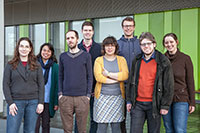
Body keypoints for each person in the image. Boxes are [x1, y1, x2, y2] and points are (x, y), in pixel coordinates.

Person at [126, 32, 174, 133]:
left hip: (154, 104)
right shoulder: (137, 60)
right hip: (137, 104)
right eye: (143, 44)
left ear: (154, 44)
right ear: (140, 46)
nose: (146, 46)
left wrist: (165, 105)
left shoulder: (163, 61)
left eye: (148, 43)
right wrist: (129, 100)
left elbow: (168, 85)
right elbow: (131, 81)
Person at [3, 37, 44, 133]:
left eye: (26, 46)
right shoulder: (10, 65)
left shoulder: (37, 65)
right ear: (18, 48)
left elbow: (41, 84)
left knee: (30, 131)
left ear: (30, 49)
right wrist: (10, 103)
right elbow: (5, 84)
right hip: (15, 103)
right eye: (21, 46)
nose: (24, 49)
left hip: (33, 102)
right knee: (12, 131)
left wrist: (41, 103)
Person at [59, 30, 93, 133]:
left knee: (82, 130)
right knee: (67, 130)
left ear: (77, 39)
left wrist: (87, 95)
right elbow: (60, 76)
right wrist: (60, 94)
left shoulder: (86, 56)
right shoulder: (63, 56)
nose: (70, 40)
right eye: (68, 38)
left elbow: (90, 77)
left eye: (72, 38)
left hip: (82, 98)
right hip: (66, 98)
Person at [93, 36, 129, 133]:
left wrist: (108, 74)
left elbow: (125, 75)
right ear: (103, 47)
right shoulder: (99, 60)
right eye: (107, 46)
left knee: (116, 127)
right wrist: (116, 79)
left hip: (117, 97)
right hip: (102, 98)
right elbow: (99, 77)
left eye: (112, 45)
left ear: (116, 47)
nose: (109, 48)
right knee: (101, 127)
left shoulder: (121, 60)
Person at [162, 33, 195, 133]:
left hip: (181, 98)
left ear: (176, 42)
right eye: (166, 43)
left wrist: (192, 102)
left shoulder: (185, 59)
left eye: (171, 42)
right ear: (164, 45)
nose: (169, 44)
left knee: (179, 130)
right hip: (165, 100)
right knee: (169, 129)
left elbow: (190, 81)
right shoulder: (161, 59)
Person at [76, 21, 101, 133]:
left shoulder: (99, 48)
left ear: (93, 32)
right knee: (79, 118)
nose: (87, 32)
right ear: (82, 31)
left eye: (90, 30)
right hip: (80, 90)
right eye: (85, 30)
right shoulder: (76, 48)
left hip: (95, 90)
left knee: (94, 118)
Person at [117, 16, 141, 133]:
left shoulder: (140, 43)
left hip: (137, 85)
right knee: (121, 117)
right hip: (121, 85)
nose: (128, 28)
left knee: (135, 116)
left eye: (130, 26)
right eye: (126, 26)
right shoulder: (117, 44)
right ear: (122, 27)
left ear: (134, 27)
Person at [35, 43, 59, 133]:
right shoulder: (34, 64)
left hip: (48, 100)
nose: (46, 52)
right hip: (35, 99)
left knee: (46, 124)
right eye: (44, 50)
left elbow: (57, 85)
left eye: (49, 51)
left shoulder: (55, 66)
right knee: (34, 125)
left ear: (52, 53)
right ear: (41, 51)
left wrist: (56, 102)